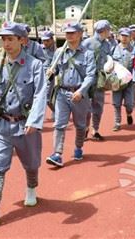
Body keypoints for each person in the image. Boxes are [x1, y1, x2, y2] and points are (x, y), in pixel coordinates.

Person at [0, 22, 47, 224]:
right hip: (2, 123)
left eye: (10, 39)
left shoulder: (35, 65)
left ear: (22, 41)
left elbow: (41, 93)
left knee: (31, 163)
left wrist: (34, 120)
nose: (6, 43)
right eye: (3, 39)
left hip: (25, 125)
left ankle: (31, 187)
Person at [46, 22, 96, 167]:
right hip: (62, 92)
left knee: (80, 125)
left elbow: (91, 75)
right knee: (59, 124)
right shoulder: (59, 52)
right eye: (67, 32)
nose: (69, 35)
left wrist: (81, 91)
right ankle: (57, 154)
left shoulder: (88, 54)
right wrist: (51, 72)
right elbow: (56, 70)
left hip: (79, 94)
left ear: (80, 34)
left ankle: (79, 147)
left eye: (72, 32)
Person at [82, 20, 115, 140]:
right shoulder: (87, 43)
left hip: (100, 80)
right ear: (104, 30)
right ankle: (84, 128)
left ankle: (95, 129)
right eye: (108, 30)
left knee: (98, 106)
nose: (109, 32)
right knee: (85, 106)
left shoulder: (107, 44)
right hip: (87, 79)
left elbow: (110, 59)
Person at [111, 27, 135, 131]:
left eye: (126, 36)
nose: (124, 38)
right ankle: (117, 122)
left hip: (129, 81)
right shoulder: (113, 49)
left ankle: (129, 113)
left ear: (130, 38)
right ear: (119, 36)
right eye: (122, 36)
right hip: (117, 80)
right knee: (116, 103)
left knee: (129, 103)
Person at [40, 30, 56, 117]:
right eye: (43, 40)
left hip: (49, 77)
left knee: (46, 99)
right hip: (38, 75)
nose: (45, 42)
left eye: (47, 40)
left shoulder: (57, 52)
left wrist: (53, 70)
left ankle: (56, 111)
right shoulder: (39, 48)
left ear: (52, 40)